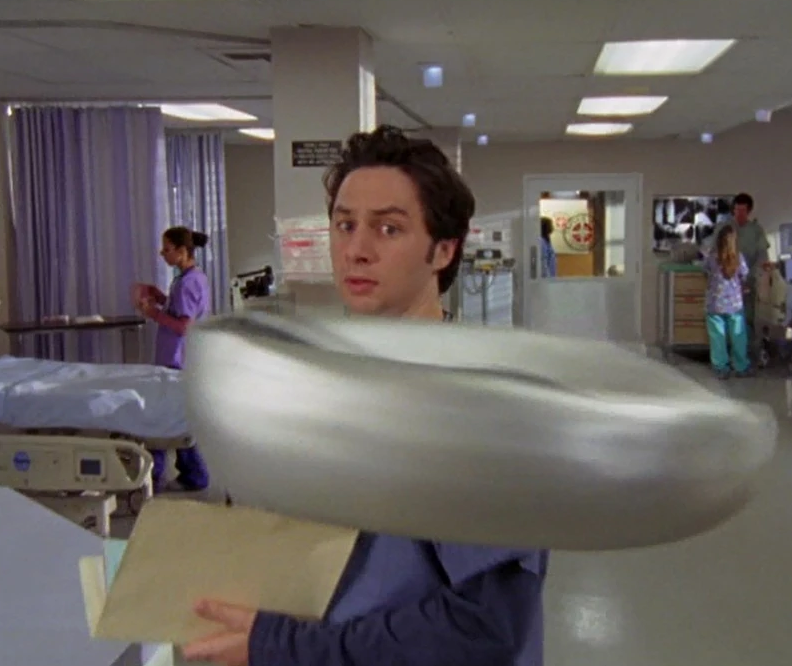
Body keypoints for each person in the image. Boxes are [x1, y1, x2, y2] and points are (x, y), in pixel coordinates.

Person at [181, 126, 549, 666]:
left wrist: (286, 648)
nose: (356, 250)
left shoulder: (480, 412)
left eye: (388, 228)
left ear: (444, 249)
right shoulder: (346, 387)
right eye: (345, 225)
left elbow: (485, 627)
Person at [133, 226, 211, 493]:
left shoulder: (188, 282)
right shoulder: (189, 278)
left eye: (166, 249)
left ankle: (165, 475)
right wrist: (159, 297)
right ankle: (188, 473)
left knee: (166, 418)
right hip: (177, 358)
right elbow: (179, 310)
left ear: (181, 251)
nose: (162, 254)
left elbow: (183, 326)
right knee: (174, 417)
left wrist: (152, 313)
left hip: (177, 360)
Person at [704, 224, 752, 379]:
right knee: (738, 337)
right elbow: (744, 276)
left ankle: (721, 368)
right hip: (735, 305)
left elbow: (705, 271)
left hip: (715, 304)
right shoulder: (739, 258)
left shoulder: (712, 258)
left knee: (717, 337)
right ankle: (741, 366)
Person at [729, 192, 771, 336]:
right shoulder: (725, 228)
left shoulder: (756, 230)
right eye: (737, 210)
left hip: (749, 282)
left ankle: (747, 345)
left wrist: (749, 277)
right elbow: (714, 253)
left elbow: (762, 257)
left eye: (743, 211)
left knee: (747, 317)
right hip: (727, 282)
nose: (739, 214)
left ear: (749, 211)